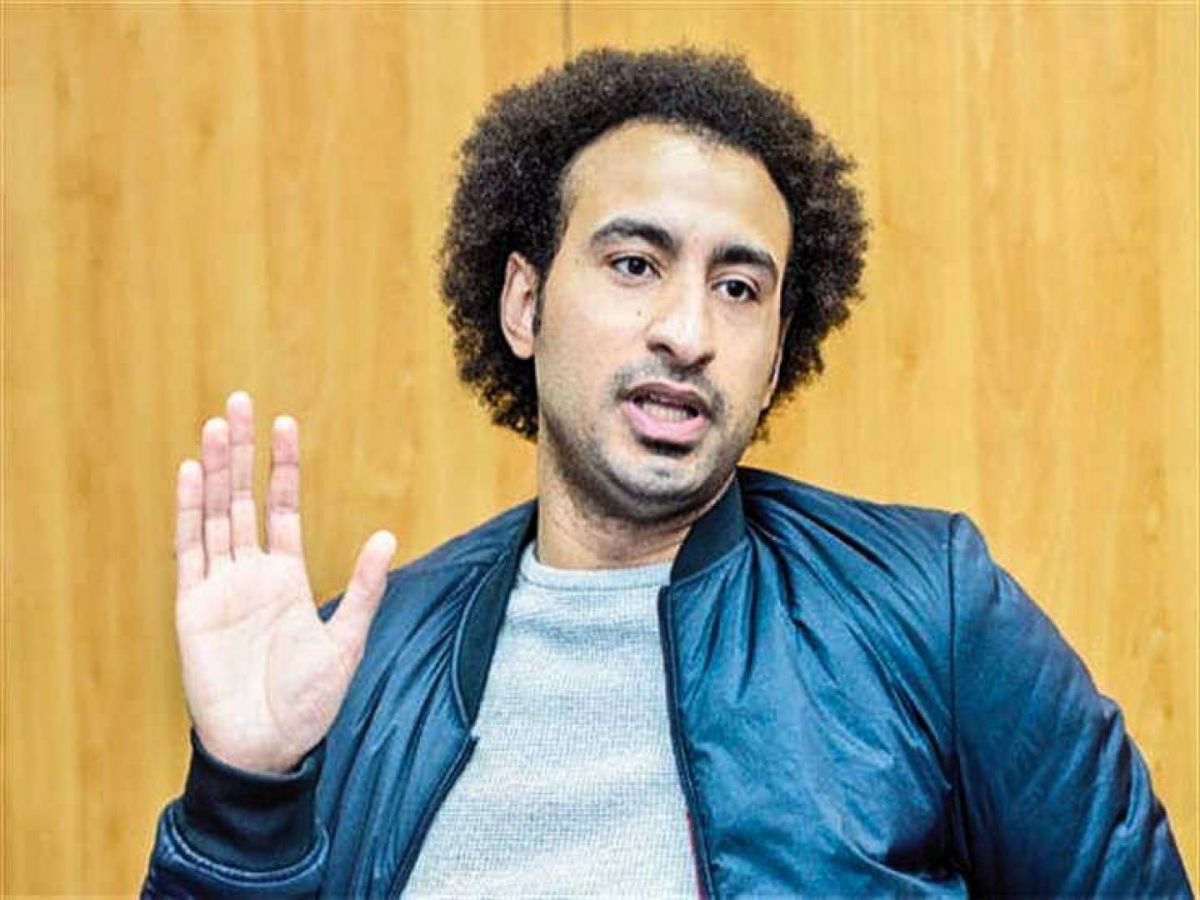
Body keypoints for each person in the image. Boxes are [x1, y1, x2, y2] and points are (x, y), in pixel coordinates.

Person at [142, 48, 1191, 897]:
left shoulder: (930, 609)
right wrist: (244, 797)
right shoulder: (363, 670)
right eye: (635, 264)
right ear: (524, 305)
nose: (688, 332)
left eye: (738, 288)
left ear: (775, 358)